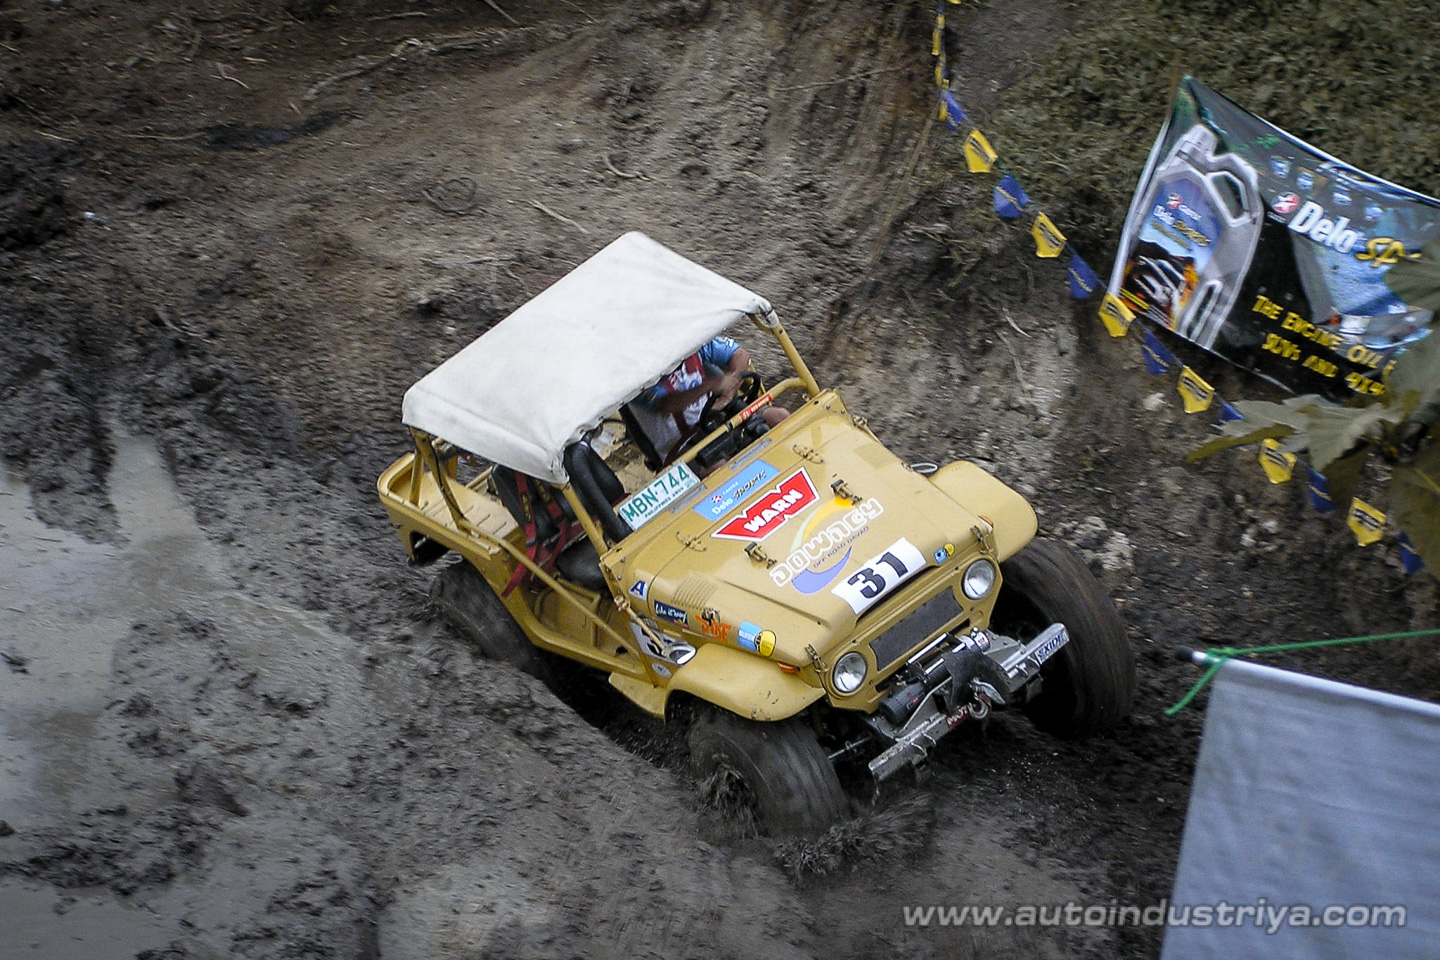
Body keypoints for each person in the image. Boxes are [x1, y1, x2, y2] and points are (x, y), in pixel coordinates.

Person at [629, 336, 786, 466]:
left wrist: (728, 394)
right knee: (719, 468)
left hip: (719, 418)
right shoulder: (635, 380)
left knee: (779, 416)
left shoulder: (688, 344)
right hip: (682, 447)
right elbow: (665, 404)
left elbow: (739, 355)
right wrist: (712, 386)